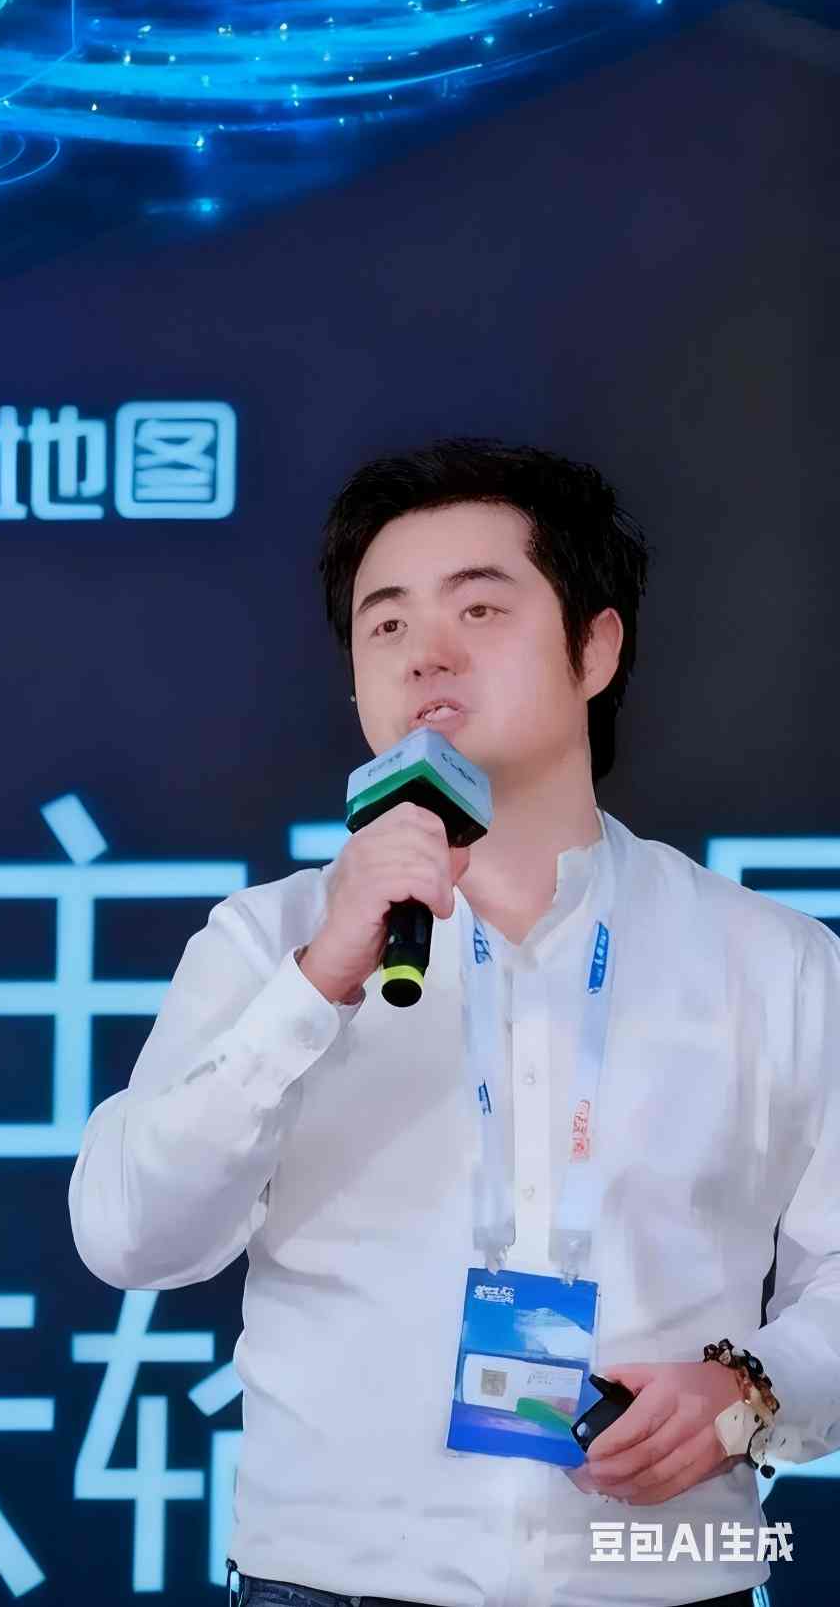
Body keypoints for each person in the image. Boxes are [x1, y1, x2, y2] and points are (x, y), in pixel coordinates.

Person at [67, 437, 840, 1606]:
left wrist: (752, 1389)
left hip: (661, 1578)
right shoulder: (267, 943)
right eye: (385, 624)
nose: (425, 651)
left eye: (479, 608)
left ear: (595, 648)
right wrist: (314, 988)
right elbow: (129, 1236)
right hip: (327, 1586)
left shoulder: (770, 961)